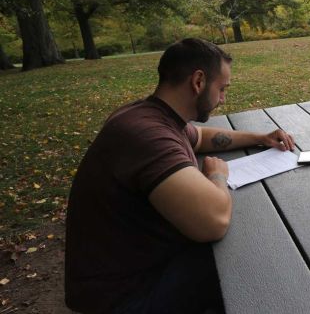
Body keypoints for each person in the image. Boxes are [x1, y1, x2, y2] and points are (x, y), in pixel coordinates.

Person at [65, 38, 295, 313]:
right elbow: (214, 221)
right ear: (198, 82)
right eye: (222, 89)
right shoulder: (148, 137)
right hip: (127, 294)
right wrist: (217, 175)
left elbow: (201, 137)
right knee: (255, 259)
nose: (223, 99)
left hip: (136, 266)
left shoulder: (149, 115)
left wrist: (260, 137)